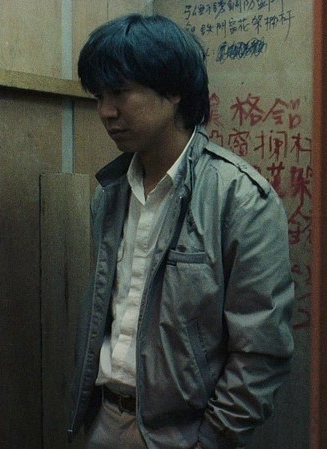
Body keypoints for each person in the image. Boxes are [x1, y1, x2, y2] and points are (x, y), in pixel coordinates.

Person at [67, 14, 295, 449]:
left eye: (120, 92)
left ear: (173, 91)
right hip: (104, 419)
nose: (106, 112)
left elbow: (261, 350)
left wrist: (211, 439)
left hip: (184, 434)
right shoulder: (110, 193)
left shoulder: (240, 198)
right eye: (99, 96)